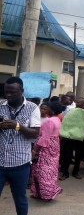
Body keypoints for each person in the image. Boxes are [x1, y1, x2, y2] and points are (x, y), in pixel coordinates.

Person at [0, 77, 40, 215]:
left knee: (20, 199)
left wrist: (17, 126)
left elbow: (35, 133)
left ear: (21, 91)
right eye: (6, 92)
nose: (9, 95)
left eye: (12, 92)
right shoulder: (1, 106)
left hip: (20, 164)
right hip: (0, 162)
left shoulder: (32, 108)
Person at [31, 102, 63, 200]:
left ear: (51, 110)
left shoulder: (49, 121)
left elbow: (44, 138)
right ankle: (45, 192)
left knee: (43, 170)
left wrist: (35, 150)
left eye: (47, 108)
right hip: (54, 146)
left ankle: (45, 193)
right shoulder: (57, 119)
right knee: (51, 170)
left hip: (46, 148)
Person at [60, 98, 84, 180]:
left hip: (80, 136)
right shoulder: (70, 110)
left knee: (78, 155)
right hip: (69, 135)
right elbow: (64, 120)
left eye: (80, 102)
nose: (78, 102)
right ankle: (65, 173)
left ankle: (75, 172)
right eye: (77, 101)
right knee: (67, 154)